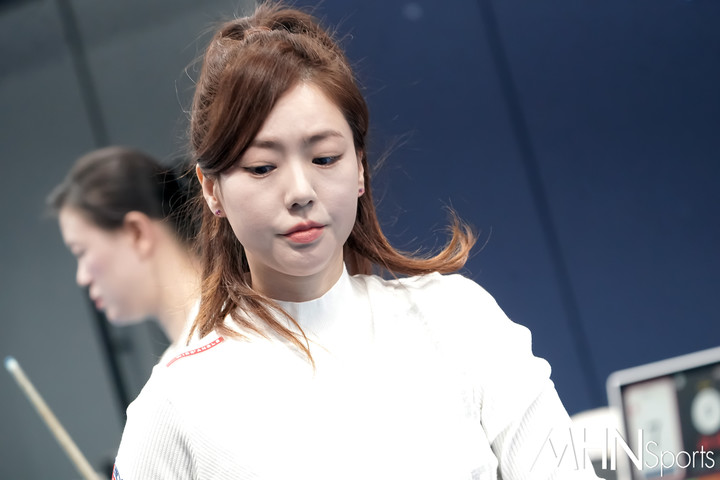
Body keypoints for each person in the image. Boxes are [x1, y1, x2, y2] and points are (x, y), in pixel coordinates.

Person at [113, 4, 600, 479]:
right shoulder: (178, 403)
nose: (300, 191)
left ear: (360, 167)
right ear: (211, 189)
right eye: (262, 167)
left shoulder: (456, 320)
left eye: (325, 158)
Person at [48, 146, 201, 360]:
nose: (82, 278)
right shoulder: (186, 357)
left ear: (137, 233)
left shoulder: (227, 341)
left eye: (81, 251)